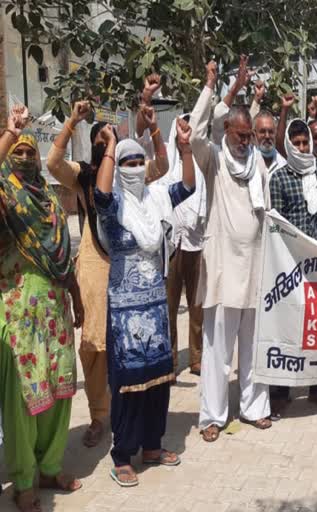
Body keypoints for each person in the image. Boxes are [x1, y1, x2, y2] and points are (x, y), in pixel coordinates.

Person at [47, 99, 168, 448]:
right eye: (101, 143)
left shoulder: (130, 173)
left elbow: (160, 166)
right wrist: (72, 120)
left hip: (130, 265)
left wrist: (153, 126)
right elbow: (53, 163)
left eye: (110, 141)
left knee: (128, 340)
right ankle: (100, 416)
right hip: (95, 263)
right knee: (94, 345)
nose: (107, 148)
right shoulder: (84, 174)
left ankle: (126, 412)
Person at [95, 116, 194, 487]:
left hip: (155, 305)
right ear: (118, 167)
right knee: (127, 380)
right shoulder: (114, 205)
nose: (135, 168)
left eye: (139, 161)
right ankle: (122, 454)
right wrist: (110, 145)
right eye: (128, 162)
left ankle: (152, 445)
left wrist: (184, 149)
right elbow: (101, 195)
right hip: (124, 309)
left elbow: (186, 185)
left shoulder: (155, 199)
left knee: (157, 377)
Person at [0, 106, 84, 512]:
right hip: (18, 312)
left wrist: (78, 296)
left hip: (56, 308)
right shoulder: (4, 198)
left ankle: (50, 467)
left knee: (60, 390)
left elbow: (64, 255)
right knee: (24, 397)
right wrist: (9, 132)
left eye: (29, 152)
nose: (26, 158)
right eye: (18, 152)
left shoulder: (49, 198)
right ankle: (22, 480)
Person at [190, 61, 273, 442]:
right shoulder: (214, 159)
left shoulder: (259, 167)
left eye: (249, 137)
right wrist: (212, 86)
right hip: (223, 270)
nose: (245, 142)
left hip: (255, 269)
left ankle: (255, 409)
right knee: (217, 350)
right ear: (227, 131)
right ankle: (212, 416)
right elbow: (193, 134)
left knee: (253, 346)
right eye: (240, 135)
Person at [268, 93, 317, 415]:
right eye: (297, 142)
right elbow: (276, 226)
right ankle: (280, 392)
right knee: (286, 327)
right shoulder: (279, 177)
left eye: (306, 142)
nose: (302, 147)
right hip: (289, 266)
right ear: (288, 144)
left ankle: (316, 387)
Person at [159, 114, 207, 376]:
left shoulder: (200, 163)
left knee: (197, 305)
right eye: (182, 129)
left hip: (197, 242)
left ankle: (196, 357)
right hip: (171, 245)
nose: (185, 133)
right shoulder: (167, 165)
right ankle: (171, 360)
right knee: (169, 305)